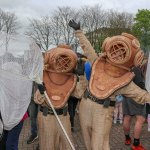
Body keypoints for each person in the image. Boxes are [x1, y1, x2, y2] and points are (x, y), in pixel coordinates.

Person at [69, 19, 150, 150]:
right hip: (85, 105)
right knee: (87, 142)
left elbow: (141, 95)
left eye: (122, 52)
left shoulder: (125, 80)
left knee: (99, 144)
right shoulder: (98, 62)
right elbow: (88, 49)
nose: (117, 53)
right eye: (116, 49)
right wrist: (79, 32)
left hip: (103, 111)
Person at [34, 44, 87, 150]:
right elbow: (37, 99)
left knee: (65, 145)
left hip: (64, 117)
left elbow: (79, 94)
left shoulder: (71, 78)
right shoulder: (43, 73)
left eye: (65, 60)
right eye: (61, 59)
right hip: (46, 117)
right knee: (48, 146)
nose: (63, 62)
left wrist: (81, 76)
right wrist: (41, 91)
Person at [122, 66, 146, 150]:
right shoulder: (136, 69)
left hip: (125, 95)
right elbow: (140, 84)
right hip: (136, 96)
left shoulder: (125, 67)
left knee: (127, 117)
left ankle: (127, 139)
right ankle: (136, 144)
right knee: (141, 119)